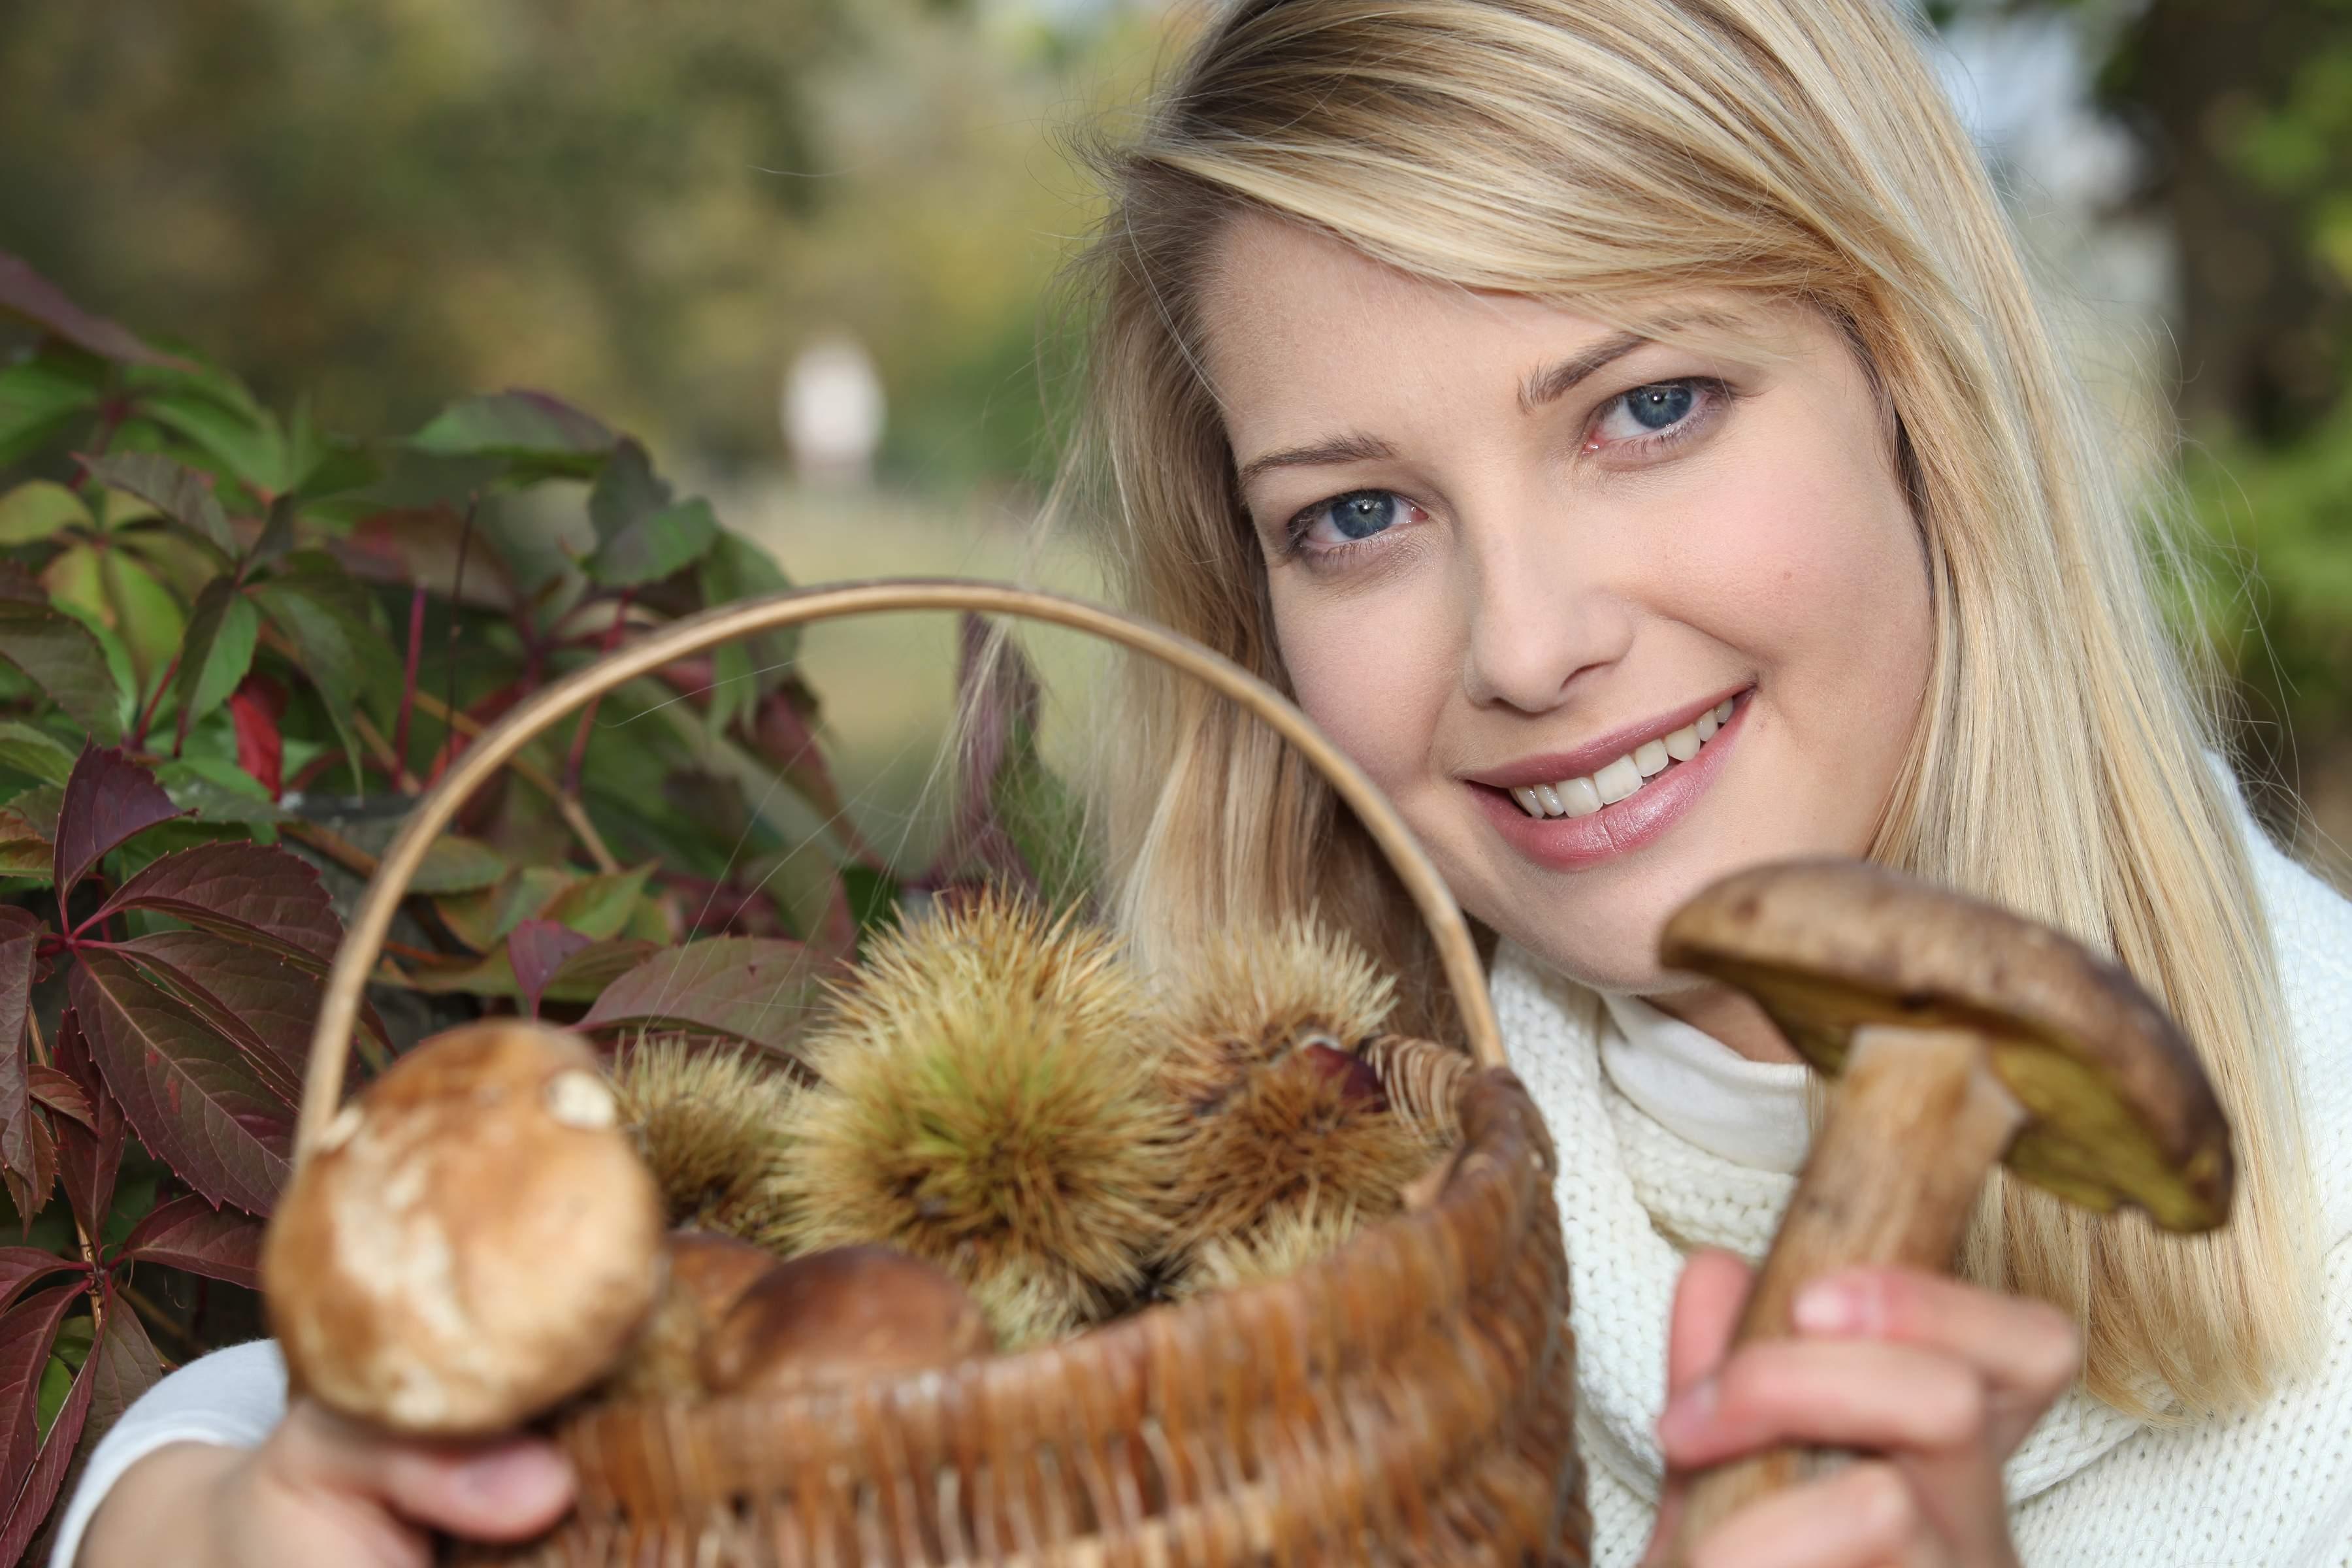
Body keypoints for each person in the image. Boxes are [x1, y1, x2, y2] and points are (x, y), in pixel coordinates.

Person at [52, 0, 2352, 1564]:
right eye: (1356, 515)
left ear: (1915, 396)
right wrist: (184, 1509)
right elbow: (257, 1436)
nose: (1532, 645)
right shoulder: (1282, 1168)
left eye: (1647, 406)